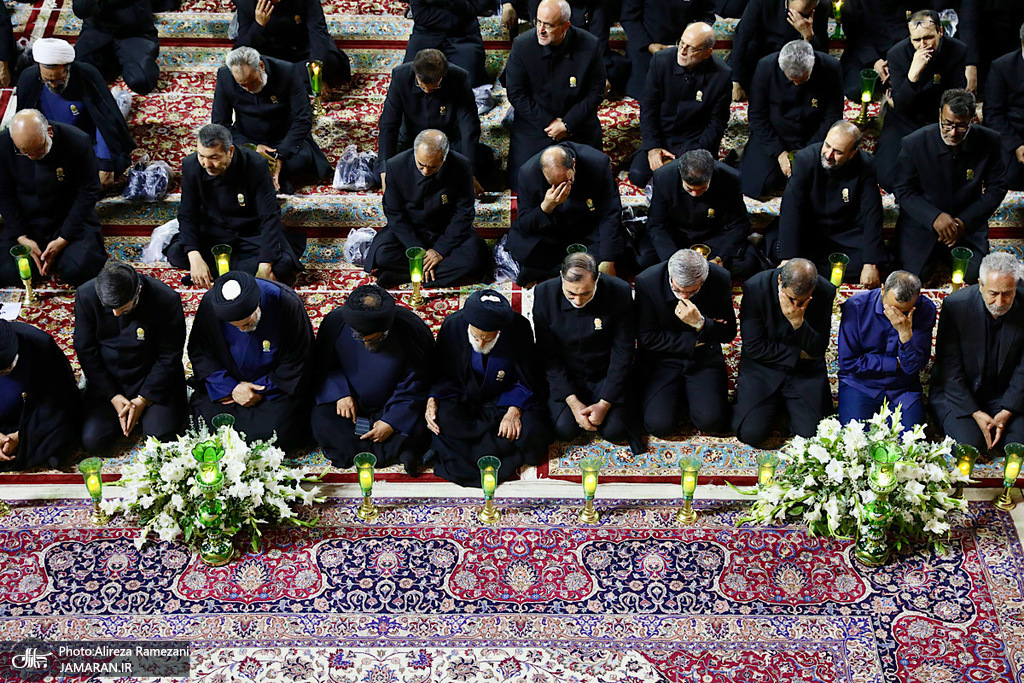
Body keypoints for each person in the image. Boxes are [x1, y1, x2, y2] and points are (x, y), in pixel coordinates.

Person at [428, 289, 550, 486]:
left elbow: (529, 375)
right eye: (476, 336)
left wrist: (514, 410)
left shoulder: (518, 328)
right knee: (440, 420)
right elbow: (442, 372)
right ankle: (493, 451)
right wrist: (432, 398)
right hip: (465, 396)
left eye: (487, 338)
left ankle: (462, 450)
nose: (480, 343)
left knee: (532, 433)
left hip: (505, 398)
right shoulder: (453, 325)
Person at [312, 285, 434, 472]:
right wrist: (340, 393)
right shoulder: (335, 323)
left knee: (427, 419)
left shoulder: (410, 329)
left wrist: (392, 421)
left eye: (374, 339)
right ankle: (398, 449)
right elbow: (324, 365)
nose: (367, 344)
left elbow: (417, 382)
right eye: (361, 338)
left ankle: (379, 447)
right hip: (351, 403)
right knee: (321, 419)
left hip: (395, 402)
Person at [188, 270, 313, 451]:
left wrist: (259, 389)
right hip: (228, 385)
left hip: (272, 387)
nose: (242, 330)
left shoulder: (286, 303)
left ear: (258, 305)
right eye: (235, 326)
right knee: (202, 424)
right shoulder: (211, 303)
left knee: (280, 434)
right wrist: (232, 387)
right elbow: (201, 352)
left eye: (246, 324)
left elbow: (298, 360)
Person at [532, 253, 644, 454]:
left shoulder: (619, 291)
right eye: (571, 293)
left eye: (585, 293)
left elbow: (623, 352)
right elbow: (548, 355)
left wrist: (604, 403)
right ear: (561, 277)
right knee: (565, 429)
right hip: (568, 373)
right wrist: (572, 401)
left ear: (597, 278)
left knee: (616, 431)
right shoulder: (544, 293)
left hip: (604, 372)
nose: (578, 300)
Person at [891, 88, 1006, 284]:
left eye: (961, 126)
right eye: (948, 124)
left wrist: (963, 222)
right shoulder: (914, 143)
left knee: (975, 273)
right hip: (922, 222)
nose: (953, 132)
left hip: (966, 223)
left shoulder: (990, 140)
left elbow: (997, 189)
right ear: (939, 114)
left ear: (972, 120)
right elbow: (902, 189)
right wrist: (934, 217)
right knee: (914, 277)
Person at [167, 124, 303, 288]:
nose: (207, 164)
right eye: (201, 155)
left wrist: (265, 265)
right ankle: (240, 273)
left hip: (251, 232)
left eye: (214, 157)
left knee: (283, 264)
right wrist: (194, 256)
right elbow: (187, 214)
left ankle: (221, 272)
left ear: (230, 151)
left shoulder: (255, 164)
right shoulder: (191, 165)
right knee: (176, 254)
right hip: (214, 231)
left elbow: (269, 216)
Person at [74, 260, 187, 451]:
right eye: (110, 308)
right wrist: (113, 395)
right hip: (109, 377)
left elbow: (169, 356)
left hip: (152, 376)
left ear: (138, 291)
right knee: (93, 440)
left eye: (123, 308)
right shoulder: (86, 295)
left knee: (159, 438)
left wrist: (143, 399)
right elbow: (86, 350)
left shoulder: (166, 299)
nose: (116, 314)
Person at [365, 129, 491, 288]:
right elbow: (394, 213)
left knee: (474, 260)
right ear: (414, 153)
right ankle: (435, 274)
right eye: (421, 165)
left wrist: (440, 251)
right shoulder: (395, 165)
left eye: (433, 167)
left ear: (444, 158)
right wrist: (418, 251)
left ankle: (405, 275)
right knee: (383, 255)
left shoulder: (461, 165)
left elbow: (464, 214)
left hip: (446, 230)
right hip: (411, 230)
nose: (426, 171)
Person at [733, 258, 836, 447]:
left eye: (802, 301)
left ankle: (785, 410)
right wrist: (797, 354)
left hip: (804, 370)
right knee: (750, 433)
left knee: (813, 437)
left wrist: (798, 323)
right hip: (763, 367)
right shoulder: (755, 287)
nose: (796, 305)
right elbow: (754, 346)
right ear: (780, 280)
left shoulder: (826, 291)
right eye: (791, 298)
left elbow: (817, 348)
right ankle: (778, 409)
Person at [504, 0, 605, 190]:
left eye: (548, 25)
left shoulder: (590, 45)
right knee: (525, 182)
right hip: (535, 124)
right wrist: (549, 123)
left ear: (565, 26)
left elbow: (596, 93)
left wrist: (567, 123)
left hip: (577, 123)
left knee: (589, 183)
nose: (540, 30)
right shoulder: (522, 45)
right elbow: (516, 93)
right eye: (538, 22)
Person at [635, 249, 736, 437]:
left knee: (711, 422)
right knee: (659, 426)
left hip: (703, 357)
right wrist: (697, 338)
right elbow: (646, 337)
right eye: (677, 290)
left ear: (703, 281)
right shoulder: (647, 281)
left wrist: (700, 323)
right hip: (661, 359)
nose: (683, 297)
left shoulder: (720, 278)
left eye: (691, 292)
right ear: (670, 275)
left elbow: (728, 332)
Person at [0, 110, 107, 287]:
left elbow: (88, 191)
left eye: (38, 150)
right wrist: (22, 237)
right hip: (27, 221)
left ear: (49, 132)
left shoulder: (77, 141)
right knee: (10, 271)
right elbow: (4, 195)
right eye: (24, 152)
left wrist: (63, 239)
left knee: (78, 270)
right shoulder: (3, 144)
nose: (32, 157)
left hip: (67, 218)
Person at [931, 251, 1024, 452]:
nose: (1000, 302)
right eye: (993, 293)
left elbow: (1023, 368)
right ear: (980, 285)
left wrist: (1007, 410)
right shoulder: (956, 306)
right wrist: (975, 412)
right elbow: (949, 369)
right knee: (970, 446)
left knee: (1017, 446)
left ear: (1016, 287)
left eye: (1007, 294)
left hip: (1005, 392)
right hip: (961, 393)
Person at [774, 120, 884, 288]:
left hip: (845, 231)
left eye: (838, 152)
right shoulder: (804, 159)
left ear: (852, 153)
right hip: (810, 230)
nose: (828, 155)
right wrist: (787, 258)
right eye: (827, 145)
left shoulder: (866, 165)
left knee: (869, 264)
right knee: (785, 258)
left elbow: (872, 213)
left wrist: (870, 263)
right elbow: (791, 209)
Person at [16, 38, 136, 186]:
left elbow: (104, 120)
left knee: (108, 170)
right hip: (48, 143)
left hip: (86, 139)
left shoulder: (87, 75)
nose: (53, 85)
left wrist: (105, 162)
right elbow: (24, 121)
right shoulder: (28, 79)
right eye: (47, 81)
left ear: (68, 69)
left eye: (59, 80)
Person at [212, 46, 330, 193]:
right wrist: (252, 148)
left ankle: (261, 175)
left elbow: (303, 118)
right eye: (242, 85)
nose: (248, 89)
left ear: (261, 67)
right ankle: (271, 178)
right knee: (221, 160)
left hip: (284, 138)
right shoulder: (224, 76)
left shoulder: (287, 71)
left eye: (252, 83)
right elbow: (220, 123)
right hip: (248, 138)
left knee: (302, 160)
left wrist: (280, 155)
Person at [628, 22, 731, 189]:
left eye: (691, 48)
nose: (682, 51)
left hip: (695, 141)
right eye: (681, 43)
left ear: (707, 52)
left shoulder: (722, 75)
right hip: (662, 137)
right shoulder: (660, 60)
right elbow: (648, 108)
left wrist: (689, 156)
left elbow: (717, 124)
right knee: (638, 175)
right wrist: (653, 147)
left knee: (694, 178)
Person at [377, 49, 495, 194]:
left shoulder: (459, 77)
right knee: (385, 169)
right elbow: (389, 124)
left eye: (434, 88)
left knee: (482, 163)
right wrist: (385, 172)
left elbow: (469, 125)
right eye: (422, 86)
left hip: (448, 140)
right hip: (412, 140)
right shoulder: (400, 76)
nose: (427, 91)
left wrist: (469, 172)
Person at [874, 10, 967, 191]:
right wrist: (912, 76)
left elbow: (956, 96)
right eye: (916, 40)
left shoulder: (957, 50)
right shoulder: (897, 54)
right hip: (905, 119)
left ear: (940, 32)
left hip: (938, 119)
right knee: (888, 178)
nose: (923, 45)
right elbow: (901, 106)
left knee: (951, 178)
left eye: (928, 38)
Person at [508, 143, 624, 285]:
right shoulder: (528, 173)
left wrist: (608, 259)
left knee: (617, 249)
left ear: (573, 164)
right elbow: (525, 223)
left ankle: (551, 270)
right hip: (553, 228)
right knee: (521, 246)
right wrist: (546, 206)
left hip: (587, 226)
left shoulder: (597, 163)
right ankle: (580, 268)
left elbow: (610, 211)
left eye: (566, 181)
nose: (562, 188)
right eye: (555, 184)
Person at [741, 39, 843, 198]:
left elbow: (833, 116)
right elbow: (757, 115)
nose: (796, 84)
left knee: (824, 187)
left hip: (814, 134)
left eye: (802, 80)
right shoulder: (765, 67)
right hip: (777, 132)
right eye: (791, 80)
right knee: (758, 184)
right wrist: (779, 153)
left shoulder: (831, 67)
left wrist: (808, 153)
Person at [837, 270, 937, 430]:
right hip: (860, 385)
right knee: (854, 440)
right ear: (882, 289)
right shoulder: (856, 306)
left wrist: (905, 334)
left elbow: (913, 366)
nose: (896, 315)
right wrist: (895, 363)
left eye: (904, 311)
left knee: (911, 441)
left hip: (903, 389)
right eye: (892, 307)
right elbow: (848, 362)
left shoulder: (925, 309)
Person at [644, 149, 756, 276]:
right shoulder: (664, 176)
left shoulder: (730, 177)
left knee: (747, 264)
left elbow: (740, 223)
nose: (695, 194)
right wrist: (674, 260)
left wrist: (720, 258)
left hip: (713, 234)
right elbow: (657, 223)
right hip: (677, 233)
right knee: (645, 258)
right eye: (689, 189)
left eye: (702, 189)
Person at [0, 320, 81, 472]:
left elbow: (61, 398)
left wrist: (20, 436)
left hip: (33, 416)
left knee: (62, 429)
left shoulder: (39, 344)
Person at [233, 0, 351, 97]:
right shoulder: (246, 3)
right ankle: (301, 83)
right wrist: (258, 25)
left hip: (304, 50)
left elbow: (318, 33)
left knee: (331, 60)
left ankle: (281, 83)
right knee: (245, 69)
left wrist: (315, 75)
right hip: (273, 56)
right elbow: (241, 49)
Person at [728, 0, 830, 100]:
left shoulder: (823, 6)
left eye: (805, 15)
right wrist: (736, 81)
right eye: (795, 13)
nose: (799, 18)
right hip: (762, 57)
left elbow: (823, 51)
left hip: (796, 63)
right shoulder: (762, 2)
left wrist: (809, 36)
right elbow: (742, 38)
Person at [620, 0, 715, 100]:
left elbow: (707, 14)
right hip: (646, 44)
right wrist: (649, 45)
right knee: (648, 94)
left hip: (686, 45)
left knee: (696, 94)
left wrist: (692, 38)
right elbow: (629, 17)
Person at [72, 0, 160, 95]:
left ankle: (115, 60)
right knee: (74, 75)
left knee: (141, 81)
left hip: (133, 32)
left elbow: (133, 16)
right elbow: (81, 10)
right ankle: (113, 60)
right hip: (98, 30)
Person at [837, 0, 920, 101]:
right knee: (858, 90)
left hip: (904, 49)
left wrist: (896, 58)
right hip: (866, 51)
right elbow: (853, 31)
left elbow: (922, 23)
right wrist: (874, 60)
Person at [404, 0, 488, 87]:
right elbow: (420, 15)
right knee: (409, 81)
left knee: (468, 82)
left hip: (463, 36)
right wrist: (457, 16)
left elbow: (476, 7)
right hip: (426, 34)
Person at [984, 25, 1024, 191]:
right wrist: (1017, 145)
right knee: (1010, 178)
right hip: (1013, 134)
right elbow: (993, 114)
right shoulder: (1002, 66)